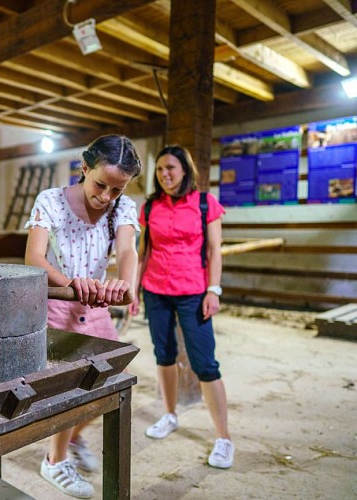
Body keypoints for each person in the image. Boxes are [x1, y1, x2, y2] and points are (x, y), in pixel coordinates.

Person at [25, 134, 142, 499]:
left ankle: (71, 437)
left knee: (113, 376)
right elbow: (35, 259)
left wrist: (126, 284)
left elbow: (127, 250)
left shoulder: (123, 208)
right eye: (101, 185)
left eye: (117, 190)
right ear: (84, 167)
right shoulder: (51, 201)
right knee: (68, 388)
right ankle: (54, 460)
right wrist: (71, 282)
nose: (106, 196)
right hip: (58, 303)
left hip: (95, 306)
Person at [129, 144, 234, 469]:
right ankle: (170, 414)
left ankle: (224, 438)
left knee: (205, 363)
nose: (165, 174)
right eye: (160, 169)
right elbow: (143, 251)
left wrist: (213, 290)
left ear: (185, 170)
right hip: (156, 290)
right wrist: (133, 290)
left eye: (171, 168)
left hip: (194, 292)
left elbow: (215, 251)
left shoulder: (205, 203)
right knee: (164, 355)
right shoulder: (150, 207)